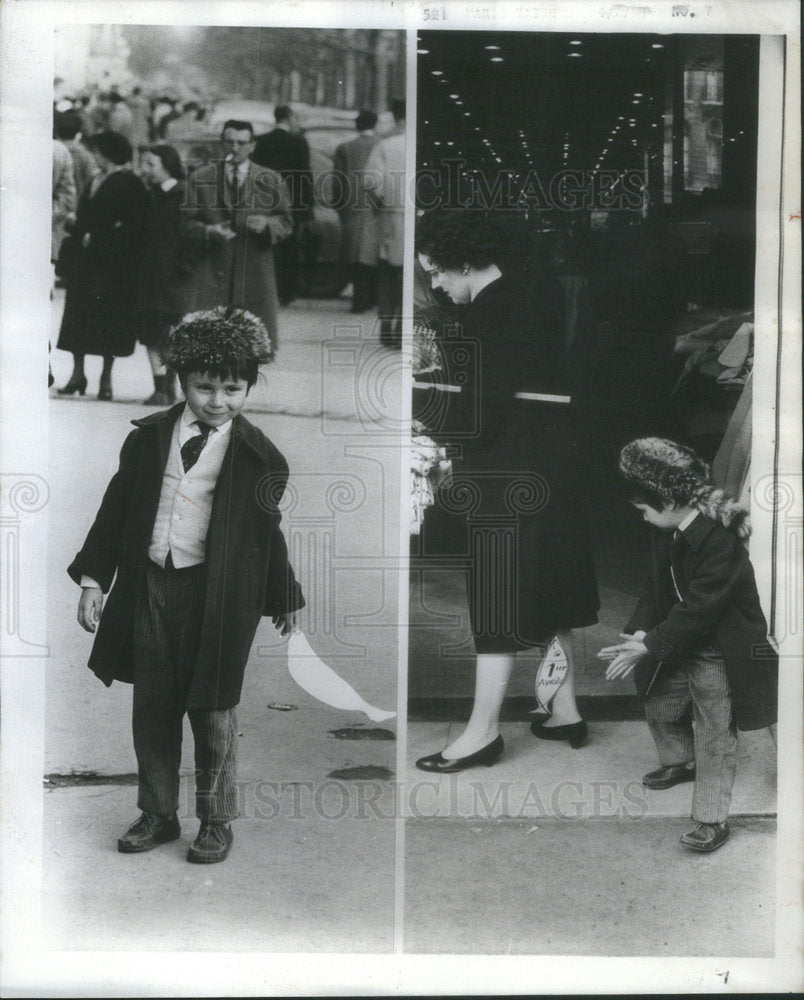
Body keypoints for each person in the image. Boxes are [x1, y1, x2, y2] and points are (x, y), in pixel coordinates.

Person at [68, 307, 305, 864]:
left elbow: (265, 532)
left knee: (214, 708)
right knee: (153, 703)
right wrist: (94, 580)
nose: (218, 401)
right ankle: (158, 811)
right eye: (204, 387)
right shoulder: (149, 439)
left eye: (232, 389)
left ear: (249, 387)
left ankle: (216, 820)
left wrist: (284, 594)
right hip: (152, 585)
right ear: (181, 381)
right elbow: (115, 510)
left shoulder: (259, 456)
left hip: (218, 597)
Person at [414, 209, 599, 773]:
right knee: (551, 589)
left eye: (437, 272)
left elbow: (482, 413)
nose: (436, 285)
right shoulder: (533, 293)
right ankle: (564, 711)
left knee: (496, 600)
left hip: (508, 473)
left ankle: (481, 734)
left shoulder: (490, 312)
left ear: (463, 262)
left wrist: (424, 416)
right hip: (553, 468)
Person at [599, 437, 777, 852]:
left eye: (644, 509)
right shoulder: (667, 531)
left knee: (713, 730)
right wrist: (641, 631)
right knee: (659, 701)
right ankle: (681, 760)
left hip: (719, 648)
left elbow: (701, 608)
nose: (642, 517)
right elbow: (655, 587)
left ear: (666, 499)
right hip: (680, 640)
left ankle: (712, 819)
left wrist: (652, 644)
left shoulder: (719, 542)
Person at [56, 131, 149, 400]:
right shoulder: (96, 179)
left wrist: (100, 236)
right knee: (78, 317)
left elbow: (133, 225)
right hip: (86, 261)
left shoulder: (130, 182)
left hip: (113, 265)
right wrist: (77, 224)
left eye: (97, 151)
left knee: (109, 320)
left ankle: (106, 377)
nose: (94, 156)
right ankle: (78, 374)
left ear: (108, 153)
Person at [184, 119, 292, 349]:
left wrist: (267, 225)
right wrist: (208, 230)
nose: (235, 148)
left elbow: (286, 221)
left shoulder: (271, 179)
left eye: (241, 143)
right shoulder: (201, 178)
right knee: (208, 347)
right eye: (229, 142)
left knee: (250, 347)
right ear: (221, 144)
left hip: (254, 274)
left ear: (252, 146)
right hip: (211, 272)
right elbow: (185, 223)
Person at [136, 144, 195, 405]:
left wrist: (184, 265)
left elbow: (193, 234)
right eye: (144, 164)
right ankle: (159, 387)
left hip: (175, 277)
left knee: (174, 332)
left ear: (167, 165)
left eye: (151, 164)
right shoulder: (149, 195)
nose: (145, 170)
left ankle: (171, 384)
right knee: (150, 332)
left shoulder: (185, 194)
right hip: (149, 275)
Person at [252, 105, 313, 305]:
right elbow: (305, 176)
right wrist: (307, 208)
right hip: (291, 202)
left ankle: (265, 289)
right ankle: (287, 292)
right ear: (288, 117)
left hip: (263, 201)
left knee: (264, 246)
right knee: (289, 248)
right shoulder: (298, 142)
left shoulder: (261, 141)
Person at [364, 99, 406, 347]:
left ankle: (387, 326)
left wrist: (379, 205)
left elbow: (370, 182)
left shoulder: (386, 146)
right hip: (416, 218)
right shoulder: (419, 145)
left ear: (399, 119)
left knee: (389, 273)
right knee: (411, 275)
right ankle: (403, 326)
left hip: (391, 216)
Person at [331, 109, 380, 314]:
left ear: (357, 125)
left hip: (351, 207)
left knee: (354, 255)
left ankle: (359, 300)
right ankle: (372, 299)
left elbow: (337, 182)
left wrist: (339, 206)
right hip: (376, 208)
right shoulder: (381, 145)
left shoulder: (345, 148)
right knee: (373, 255)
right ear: (375, 124)